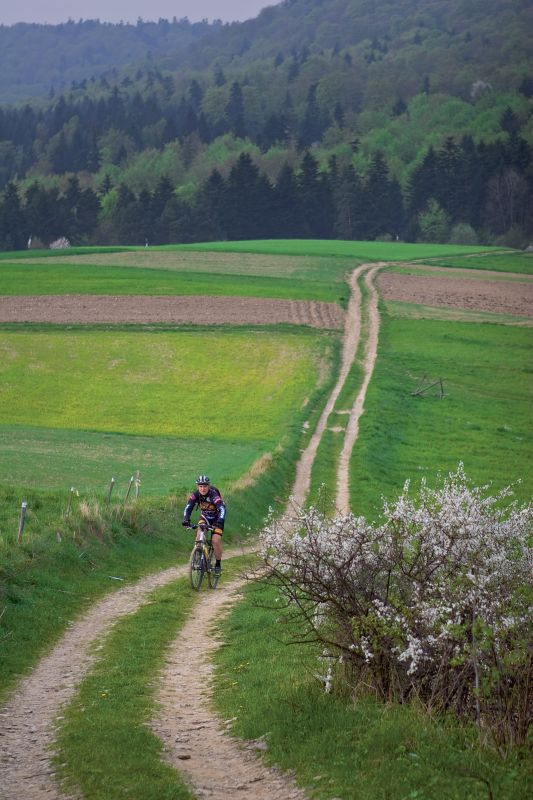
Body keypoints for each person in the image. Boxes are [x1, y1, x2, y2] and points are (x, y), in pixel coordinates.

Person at [182, 475, 226, 575]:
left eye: (205, 486)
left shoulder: (213, 495)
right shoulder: (196, 495)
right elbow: (188, 507)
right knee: (199, 536)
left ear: (209, 486)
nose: (203, 488)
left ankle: (218, 564)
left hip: (217, 519)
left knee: (215, 541)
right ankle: (199, 558)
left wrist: (220, 520)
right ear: (198, 487)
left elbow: (222, 508)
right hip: (205, 517)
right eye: (200, 486)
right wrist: (186, 519)